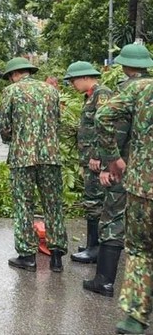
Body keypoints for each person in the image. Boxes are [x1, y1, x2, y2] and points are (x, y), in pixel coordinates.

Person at [96, 43, 153, 334]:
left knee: (142, 250)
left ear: (123, 66)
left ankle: (134, 318)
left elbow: (103, 117)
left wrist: (114, 158)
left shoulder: (136, 89)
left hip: (144, 185)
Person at [0, 57, 67, 272]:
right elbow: (57, 121)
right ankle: (56, 257)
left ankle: (27, 256)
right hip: (51, 156)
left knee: (23, 205)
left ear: (13, 75)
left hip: (22, 157)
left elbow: (4, 125)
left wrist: (14, 139)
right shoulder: (51, 91)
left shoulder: (11, 92)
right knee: (53, 204)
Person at [64, 62, 115, 267]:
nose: (72, 85)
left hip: (97, 160)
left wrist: (96, 156)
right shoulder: (91, 96)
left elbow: (104, 126)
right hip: (90, 159)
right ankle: (91, 244)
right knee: (91, 200)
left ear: (85, 77)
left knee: (94, 202)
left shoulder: (102, 94)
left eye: (74, 80)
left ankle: (95, 249)